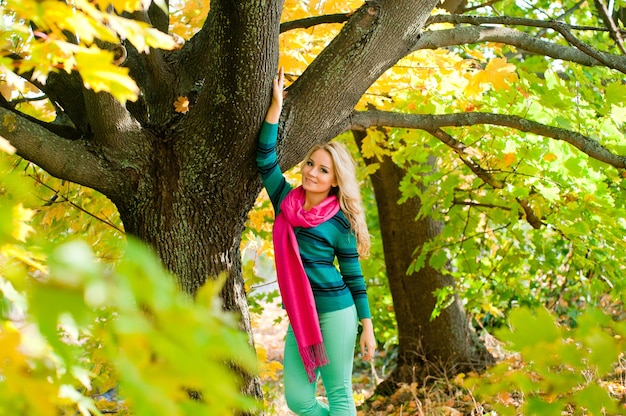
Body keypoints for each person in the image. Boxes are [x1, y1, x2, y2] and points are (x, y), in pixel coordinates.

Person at [256, 66, 376, 416]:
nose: (312, 172)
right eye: (311, 164)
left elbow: (354, 277)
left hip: (336, 313)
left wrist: (366, 327)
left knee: (339, 394)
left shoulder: (339, 222)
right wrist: (275, 106)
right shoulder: (286, 202)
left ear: (335, 181)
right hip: (301, 313)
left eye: (323, 170)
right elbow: (265, 160)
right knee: (299, 400)